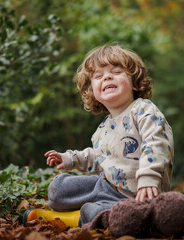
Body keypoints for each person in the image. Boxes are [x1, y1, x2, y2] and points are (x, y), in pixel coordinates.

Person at [26, 44, 174, 227]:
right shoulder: (102, 129)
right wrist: (71, 158)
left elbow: (156, 143)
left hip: (138, 196)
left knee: (113, 214)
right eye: (98, 76)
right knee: (58, 188)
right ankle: (90, 212)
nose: (107, 76)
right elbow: (99, 158)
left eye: (117, 71)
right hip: (104, 185)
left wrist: (148, 178)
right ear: (93, 92)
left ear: (135, 83)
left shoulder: (143, 110)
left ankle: (78, 217)